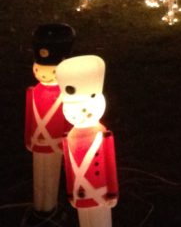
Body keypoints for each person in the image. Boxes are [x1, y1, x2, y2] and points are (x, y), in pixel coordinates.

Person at [56, 55, 118, 227]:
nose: (82, 112)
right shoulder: (69, 137)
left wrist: (112, 192)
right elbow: (69, 167)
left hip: (100, 192)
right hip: (80, 192)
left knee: (101, 221)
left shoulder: (102, 135)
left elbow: (110, 166)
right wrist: (70, 193)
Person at [25, 23, 75, 214]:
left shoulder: (64, 95)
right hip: (38, 142)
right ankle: (40, 204)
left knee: (52, 173)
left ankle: (50, 204)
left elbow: (68, 118)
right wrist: (28, 139)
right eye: (39, 69)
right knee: (39, 174)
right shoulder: (33, 92)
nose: (43, 74)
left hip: (55, 142)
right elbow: (30, 117)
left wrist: (66, 138)